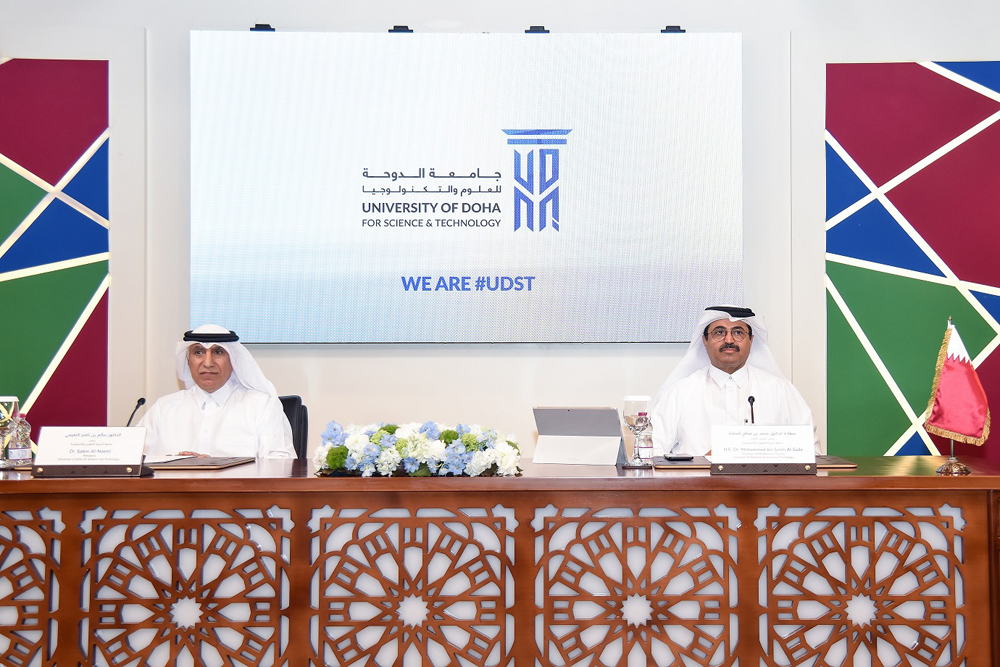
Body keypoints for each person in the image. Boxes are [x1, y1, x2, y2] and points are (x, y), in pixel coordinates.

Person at [650, 305, 818, 457]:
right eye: (719, 332)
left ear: (751, 340)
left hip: (766, 490)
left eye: (738, 332)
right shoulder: (680, 393)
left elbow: (812, 453)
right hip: (697, 489)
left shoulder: (780, 390)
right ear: (705, 341)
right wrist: (701, 463)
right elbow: (652, 455)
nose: (729, 340)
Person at [138, 325, 295, 459]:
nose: (207, 363)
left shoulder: (261, 405)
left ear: (233, 360)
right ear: (188, 361)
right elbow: (130, 458)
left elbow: (282, 463)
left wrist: (217, 467)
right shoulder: (164, 408)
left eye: (218, 352)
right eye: (198, 352)